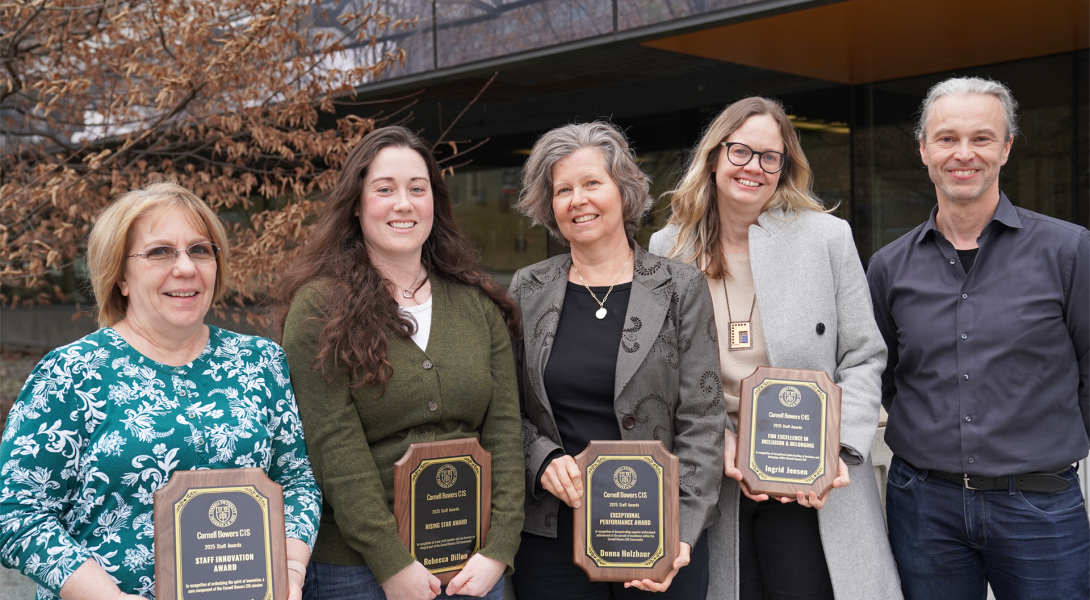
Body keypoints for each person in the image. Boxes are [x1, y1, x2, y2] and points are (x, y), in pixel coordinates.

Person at [0, 178, 322, 600]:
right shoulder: (70, 374)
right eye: (160, 252)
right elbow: (16, 515)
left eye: (200, 250)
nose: (185, 267)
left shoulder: (261, 362)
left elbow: (296, 482)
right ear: (120, 276)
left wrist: (290, 573)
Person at [650, 97, 902, 600]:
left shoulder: (827, 238)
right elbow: (666, 371)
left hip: (814, 477)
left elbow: (864, 354)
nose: (754, 168)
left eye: (771, 157)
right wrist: (718, 441)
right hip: (718, 471)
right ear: (716, 155)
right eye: (741, 151)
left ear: (785, 168)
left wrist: (839, 447)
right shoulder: (667, 249)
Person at [273, 126, 524, 600]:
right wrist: (391, 563)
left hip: (472, 565)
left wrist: (499, 548)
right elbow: (333, 447)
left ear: (435, 202)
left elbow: (506, 433)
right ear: (356, 204)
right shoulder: (318, 308)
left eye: (417, 188)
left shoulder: (477, 304)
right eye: (384, 189)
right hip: (360, 571)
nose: (403, 204)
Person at [867, 77, 1090, 599]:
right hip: (922, 505)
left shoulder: (1069, 251)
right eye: (946, 139)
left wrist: (1045, 441)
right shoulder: (888, 266)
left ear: (1007, 147)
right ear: (923, 149)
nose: (963, 154)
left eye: (982, 138)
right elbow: (886, 374)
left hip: (1040, 506)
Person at [509, 121, 726, 599]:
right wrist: (540, 458)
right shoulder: (527, 289)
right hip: (554, 534)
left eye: (591, 183)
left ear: (623, 192)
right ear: (550, 206)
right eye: (562, 190)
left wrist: (682, 533)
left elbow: (703, 420)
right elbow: (504, 409)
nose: (577, 200)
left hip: (658, 532)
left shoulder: (679, 288)